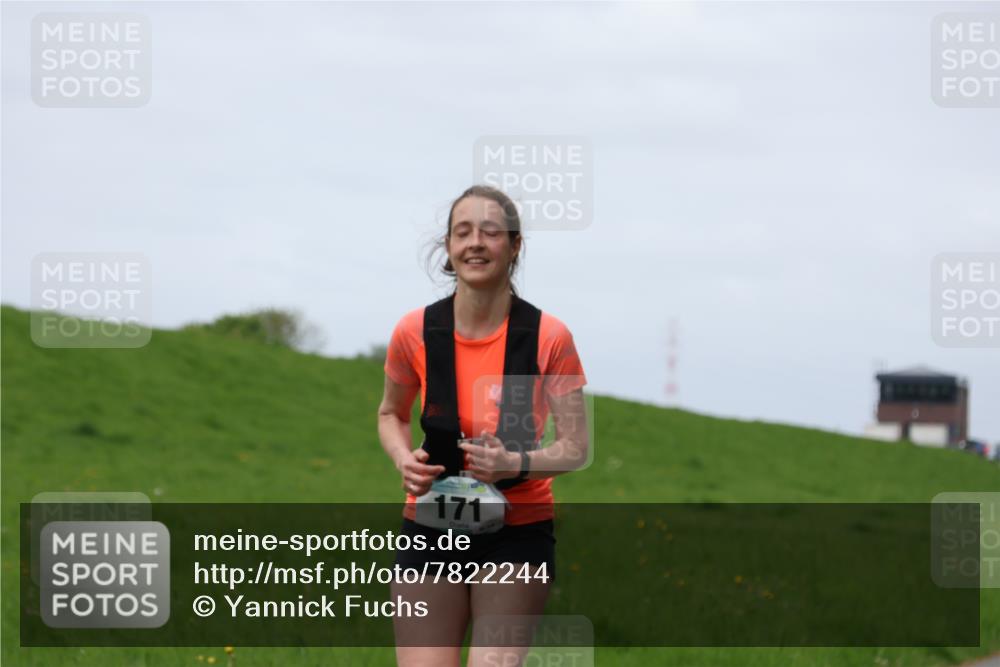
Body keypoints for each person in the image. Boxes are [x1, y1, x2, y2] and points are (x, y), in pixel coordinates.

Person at [376, 185, 589, 667]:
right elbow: (391, 413)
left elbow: (576, 447)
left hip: (518, 532)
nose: (475, 242)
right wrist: (402, 459)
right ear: (449, 248)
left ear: (514, 246)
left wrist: (516, 462)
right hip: (430, 528)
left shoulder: (548, 336)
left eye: (491, 232)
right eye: (463, 232)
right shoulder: (415, 332)